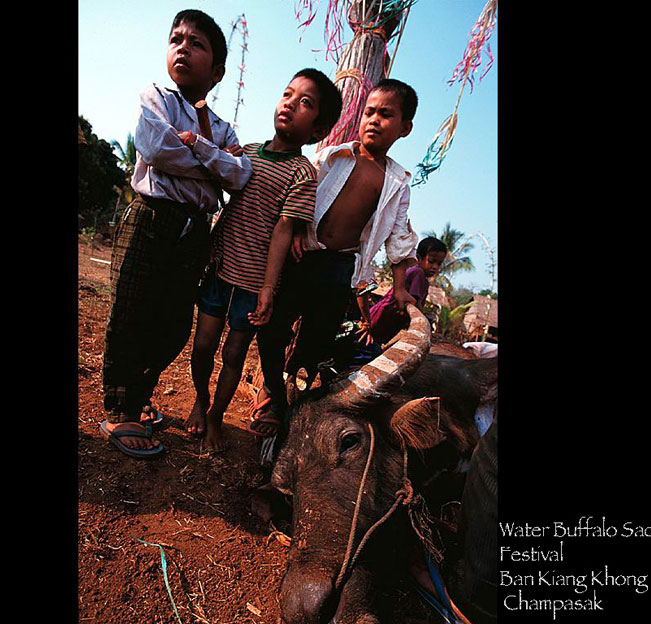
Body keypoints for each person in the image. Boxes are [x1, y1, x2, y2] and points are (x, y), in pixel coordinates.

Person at [99, 9, 253, 459]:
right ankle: (119, 407)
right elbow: (155, 147)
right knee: (131, 309)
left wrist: (200, 148)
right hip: (152, 217)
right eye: (176, 38)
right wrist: (214, 169)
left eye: (196, 42)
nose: (182, 46)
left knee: (173, 323)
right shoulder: (157, 97)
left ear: (218, 70)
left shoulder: (222, 128)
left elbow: (241, 177)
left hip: (195, 233)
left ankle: (141, 394)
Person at [250, 78, 420, 437]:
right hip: (301, 256)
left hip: (340, 267)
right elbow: (300, 192)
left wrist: (402, 288)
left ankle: (292, 394)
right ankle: (271, 389)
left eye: (386, 115)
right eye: (369, 112)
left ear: (405, 128)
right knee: (273, 328)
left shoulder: (397, 182)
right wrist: (296, 230)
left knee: (317, 339)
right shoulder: (333, 156)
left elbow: (399, 237)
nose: (373, 120)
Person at [187, 68, 342, 451]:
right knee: (203, 345)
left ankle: (215, 416)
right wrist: (223, 158)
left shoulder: (302, 172)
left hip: (254, 283)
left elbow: (284, 229)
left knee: (235, 353)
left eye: (305, 102)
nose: (290, 103)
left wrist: (268, 288)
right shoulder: (247, 153)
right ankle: (200, 399)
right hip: (220, 268)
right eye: (288, 94)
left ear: (319, 130)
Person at [357, 236, 447, 349]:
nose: (435, 267)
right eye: (432, 261)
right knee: (367, 345)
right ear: (419, 258)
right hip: (383, 317)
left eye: (439, 264)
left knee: (370, 344)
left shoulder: (416, 274)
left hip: (383, 316)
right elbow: (415, 303)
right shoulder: (418, 274)